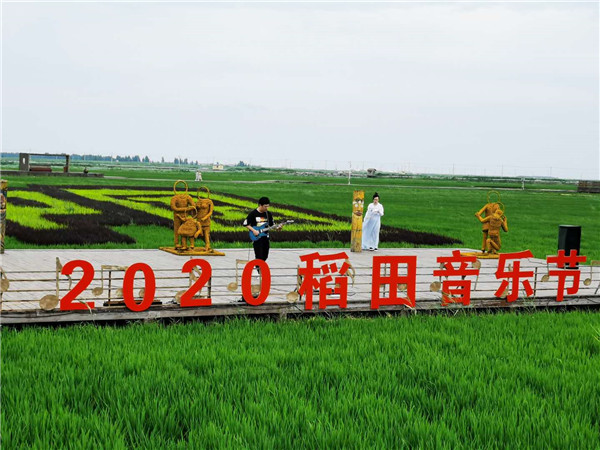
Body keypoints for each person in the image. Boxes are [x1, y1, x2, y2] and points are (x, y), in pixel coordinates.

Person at [243, 197, 276, 262]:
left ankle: (259, 267)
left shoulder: (268, 214)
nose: (267, 208)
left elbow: (272, 225)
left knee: (265, 256)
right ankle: (259, 270)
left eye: (268, 206)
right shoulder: (253, 213)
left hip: (265, 237)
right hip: (257, 237)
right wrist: (254, 230)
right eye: (265, 206)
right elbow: (245, 224)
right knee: (259, 256)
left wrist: (278, 227)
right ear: (260, 205)